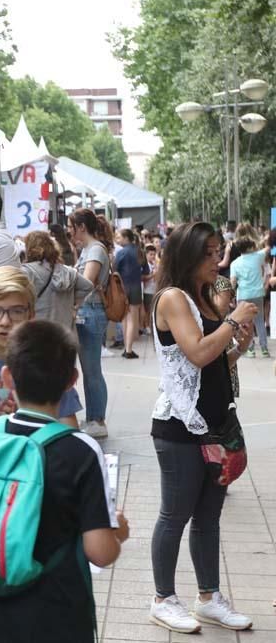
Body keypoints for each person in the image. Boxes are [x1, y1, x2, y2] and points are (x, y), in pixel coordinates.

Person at [0, 320, 128, 643]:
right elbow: (101, 552)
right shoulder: (81, 450)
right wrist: (119, 532)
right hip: (59, 617)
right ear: (71, 382)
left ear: (8, 377)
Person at [148, 222, 256, 634]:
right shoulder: (173, 298)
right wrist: (234, 321)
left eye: (218, 250)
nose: (218, 259)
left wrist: (239, 346)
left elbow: (213, 363)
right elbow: (194, 354)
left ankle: (208, 597)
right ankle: (163, 598)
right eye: (209, 252)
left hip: (214, 421)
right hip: (178, 425)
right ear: (188, 255)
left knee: (209, 517)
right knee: (174, 514)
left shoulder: (203, 298)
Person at [0, 265, 84, 428]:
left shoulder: (48, 367)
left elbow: (68, 432)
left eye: (16, 311)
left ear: (30, 315)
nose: (5, 322)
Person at [69, 209, 112, 438]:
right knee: (89, 370)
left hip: (92, 312)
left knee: (92, 370)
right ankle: (94, 418)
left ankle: (98, 419)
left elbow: (86, 282)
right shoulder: (87, 249)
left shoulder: (95, 249)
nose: (69, 231)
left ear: (81, 227)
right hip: (87, 312)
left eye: (71, 226)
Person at [22, 230, 94, 331]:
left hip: (39, 330)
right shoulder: (68, 271)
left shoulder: (27, 271)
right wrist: (71, 301)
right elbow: (88, 286)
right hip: (65, 333)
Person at [229, 234, 269, 358]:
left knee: (246, 322)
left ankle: (250, 348)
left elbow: (233, 282)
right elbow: (268, 246)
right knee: (259, 321)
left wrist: (231, 296)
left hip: (243, 295)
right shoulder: (258, 257)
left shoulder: (235, 263)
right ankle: (264, 349)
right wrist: (267, 236)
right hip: (257, 294)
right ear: (251, 247)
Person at [115, 228, 144, 359]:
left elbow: (114, 269)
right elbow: (146, 270)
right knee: (132, 319)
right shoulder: (139, 251)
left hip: (122, 288)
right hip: (136, 287)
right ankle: (128, 349)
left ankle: (127, 348)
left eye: (119, 237)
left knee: (125, 319)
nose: (117, 240)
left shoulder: (121, 253)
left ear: (126, 238)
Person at [142, 245, 159, 334]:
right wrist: (153, 274)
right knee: (147, 310)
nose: (152, 256)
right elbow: (143, 277)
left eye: (154, 254)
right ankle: (146, 326)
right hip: (147, 290)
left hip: (154, 290)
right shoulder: (145, 265)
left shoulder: (155, 264)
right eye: (150, 254)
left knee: (152, 309)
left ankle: (150, 326)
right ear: (146, 255)